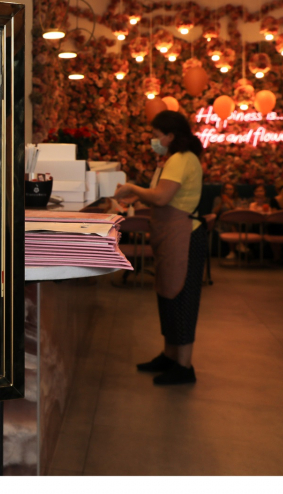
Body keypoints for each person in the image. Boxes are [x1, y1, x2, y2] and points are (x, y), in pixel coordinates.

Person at [113, 110, 206, 386]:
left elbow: (163, 197)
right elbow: (161, 198)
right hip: (171, 235)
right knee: (167, 294)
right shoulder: (175, 159)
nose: (153, 140)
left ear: (171, 136)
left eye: (156, 135)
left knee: (182, 298)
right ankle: (170, 356)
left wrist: (133, 188)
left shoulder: (181, 159)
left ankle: (184, 366)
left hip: (185, 236)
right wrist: (139, 197)